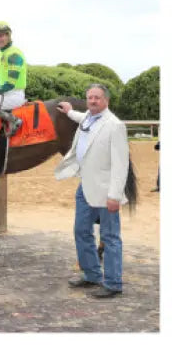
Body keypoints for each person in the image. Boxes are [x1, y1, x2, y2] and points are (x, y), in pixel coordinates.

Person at [55, 84, 130, 298]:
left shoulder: (114, 125)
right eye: (90, 98)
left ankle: (113, 283)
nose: (93, 101)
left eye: (97, 98)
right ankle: (91, 275)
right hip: (85, 186)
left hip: (106, 190)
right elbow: (83, 118)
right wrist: (69, 111)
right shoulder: (88, 116)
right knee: (81, 231)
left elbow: (120, 164)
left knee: (110, 236)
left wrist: (114, 195)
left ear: (106, 100)